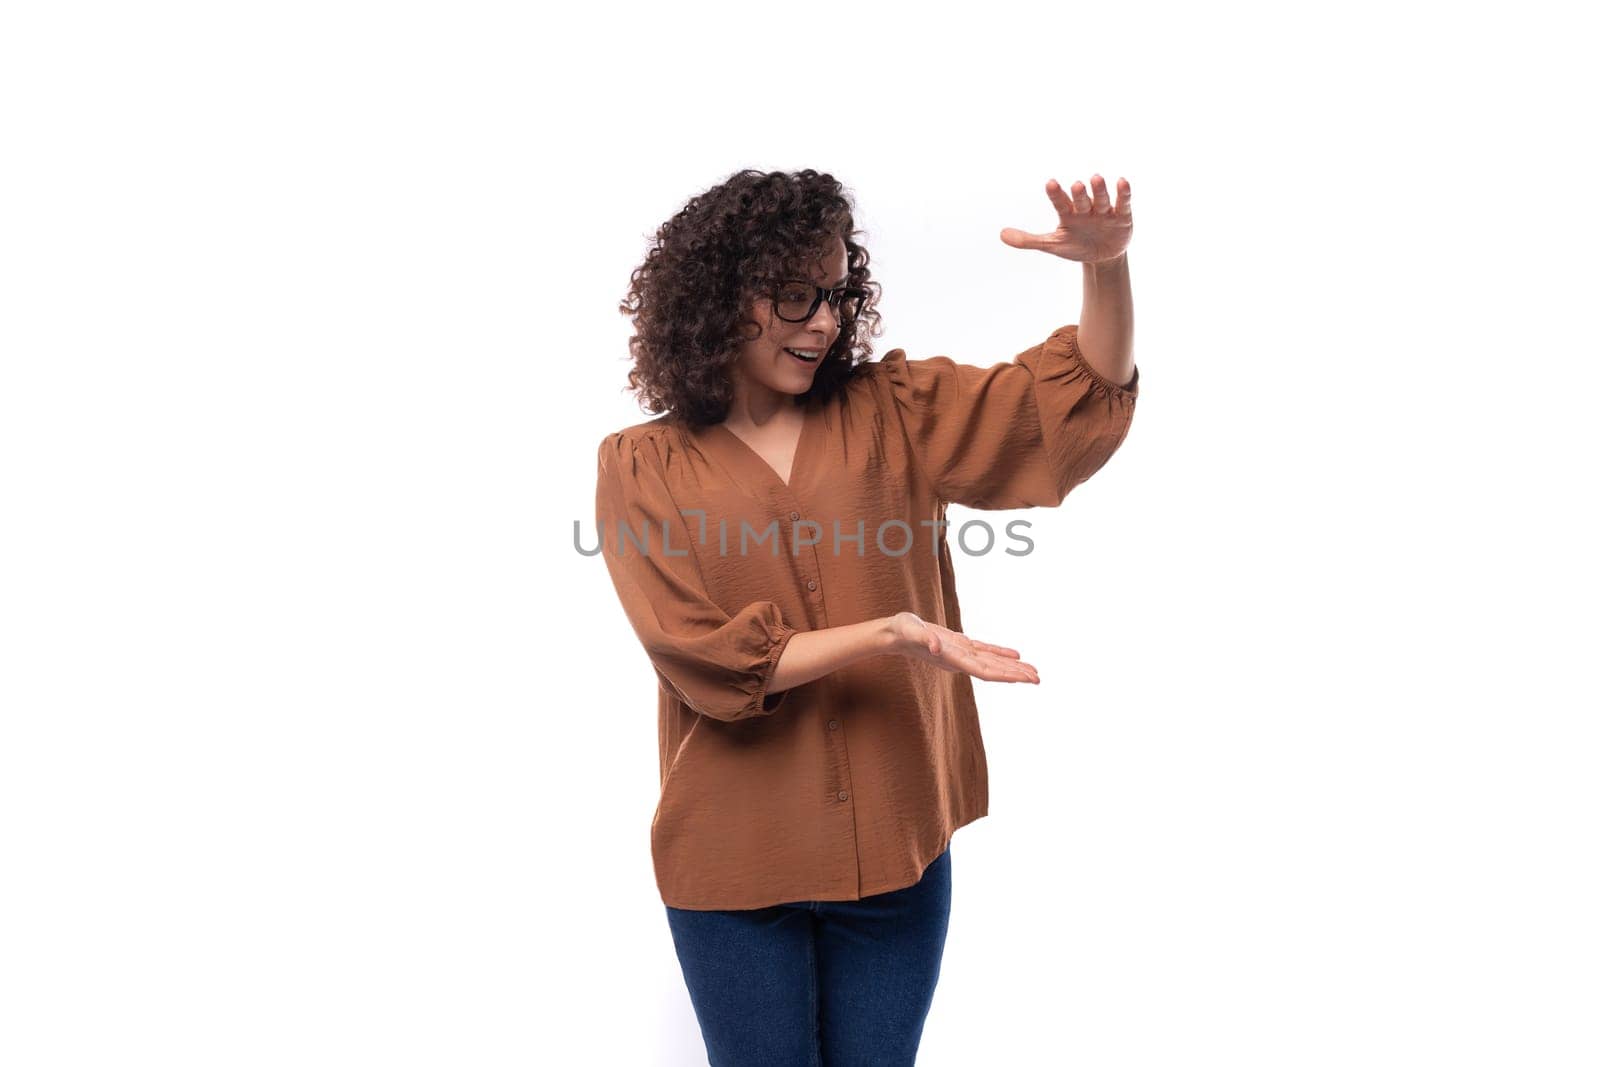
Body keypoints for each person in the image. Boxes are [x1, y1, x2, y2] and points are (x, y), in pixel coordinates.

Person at [595, 168, 1139, 1065]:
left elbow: (1062, 413)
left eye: (837, 294)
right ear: (720, 298)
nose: (824, 322)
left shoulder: (894, 409)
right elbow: (698, 652)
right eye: (795, 296)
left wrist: (1106, 271)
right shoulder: (638, 467)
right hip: (735, 868)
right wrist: (893, 631)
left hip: (898, 849)